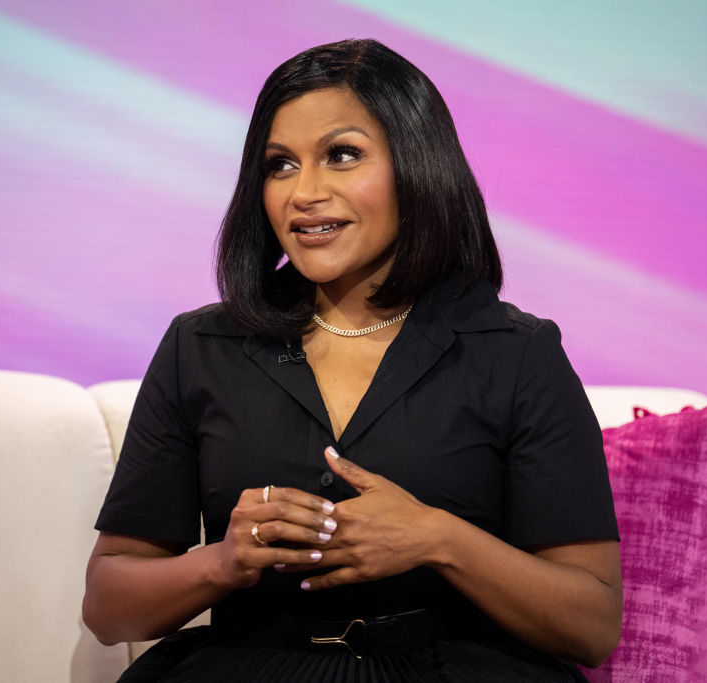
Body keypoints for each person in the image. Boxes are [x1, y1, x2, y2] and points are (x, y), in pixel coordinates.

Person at [83, 39, 621, 682]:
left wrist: (437, 539)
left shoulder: (515, 353)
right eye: (280, 165)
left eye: (341, 155)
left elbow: (591, 625)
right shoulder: (200, 348)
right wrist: (223, 561)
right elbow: (109, 608)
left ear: (416, 166)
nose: (303, 193)